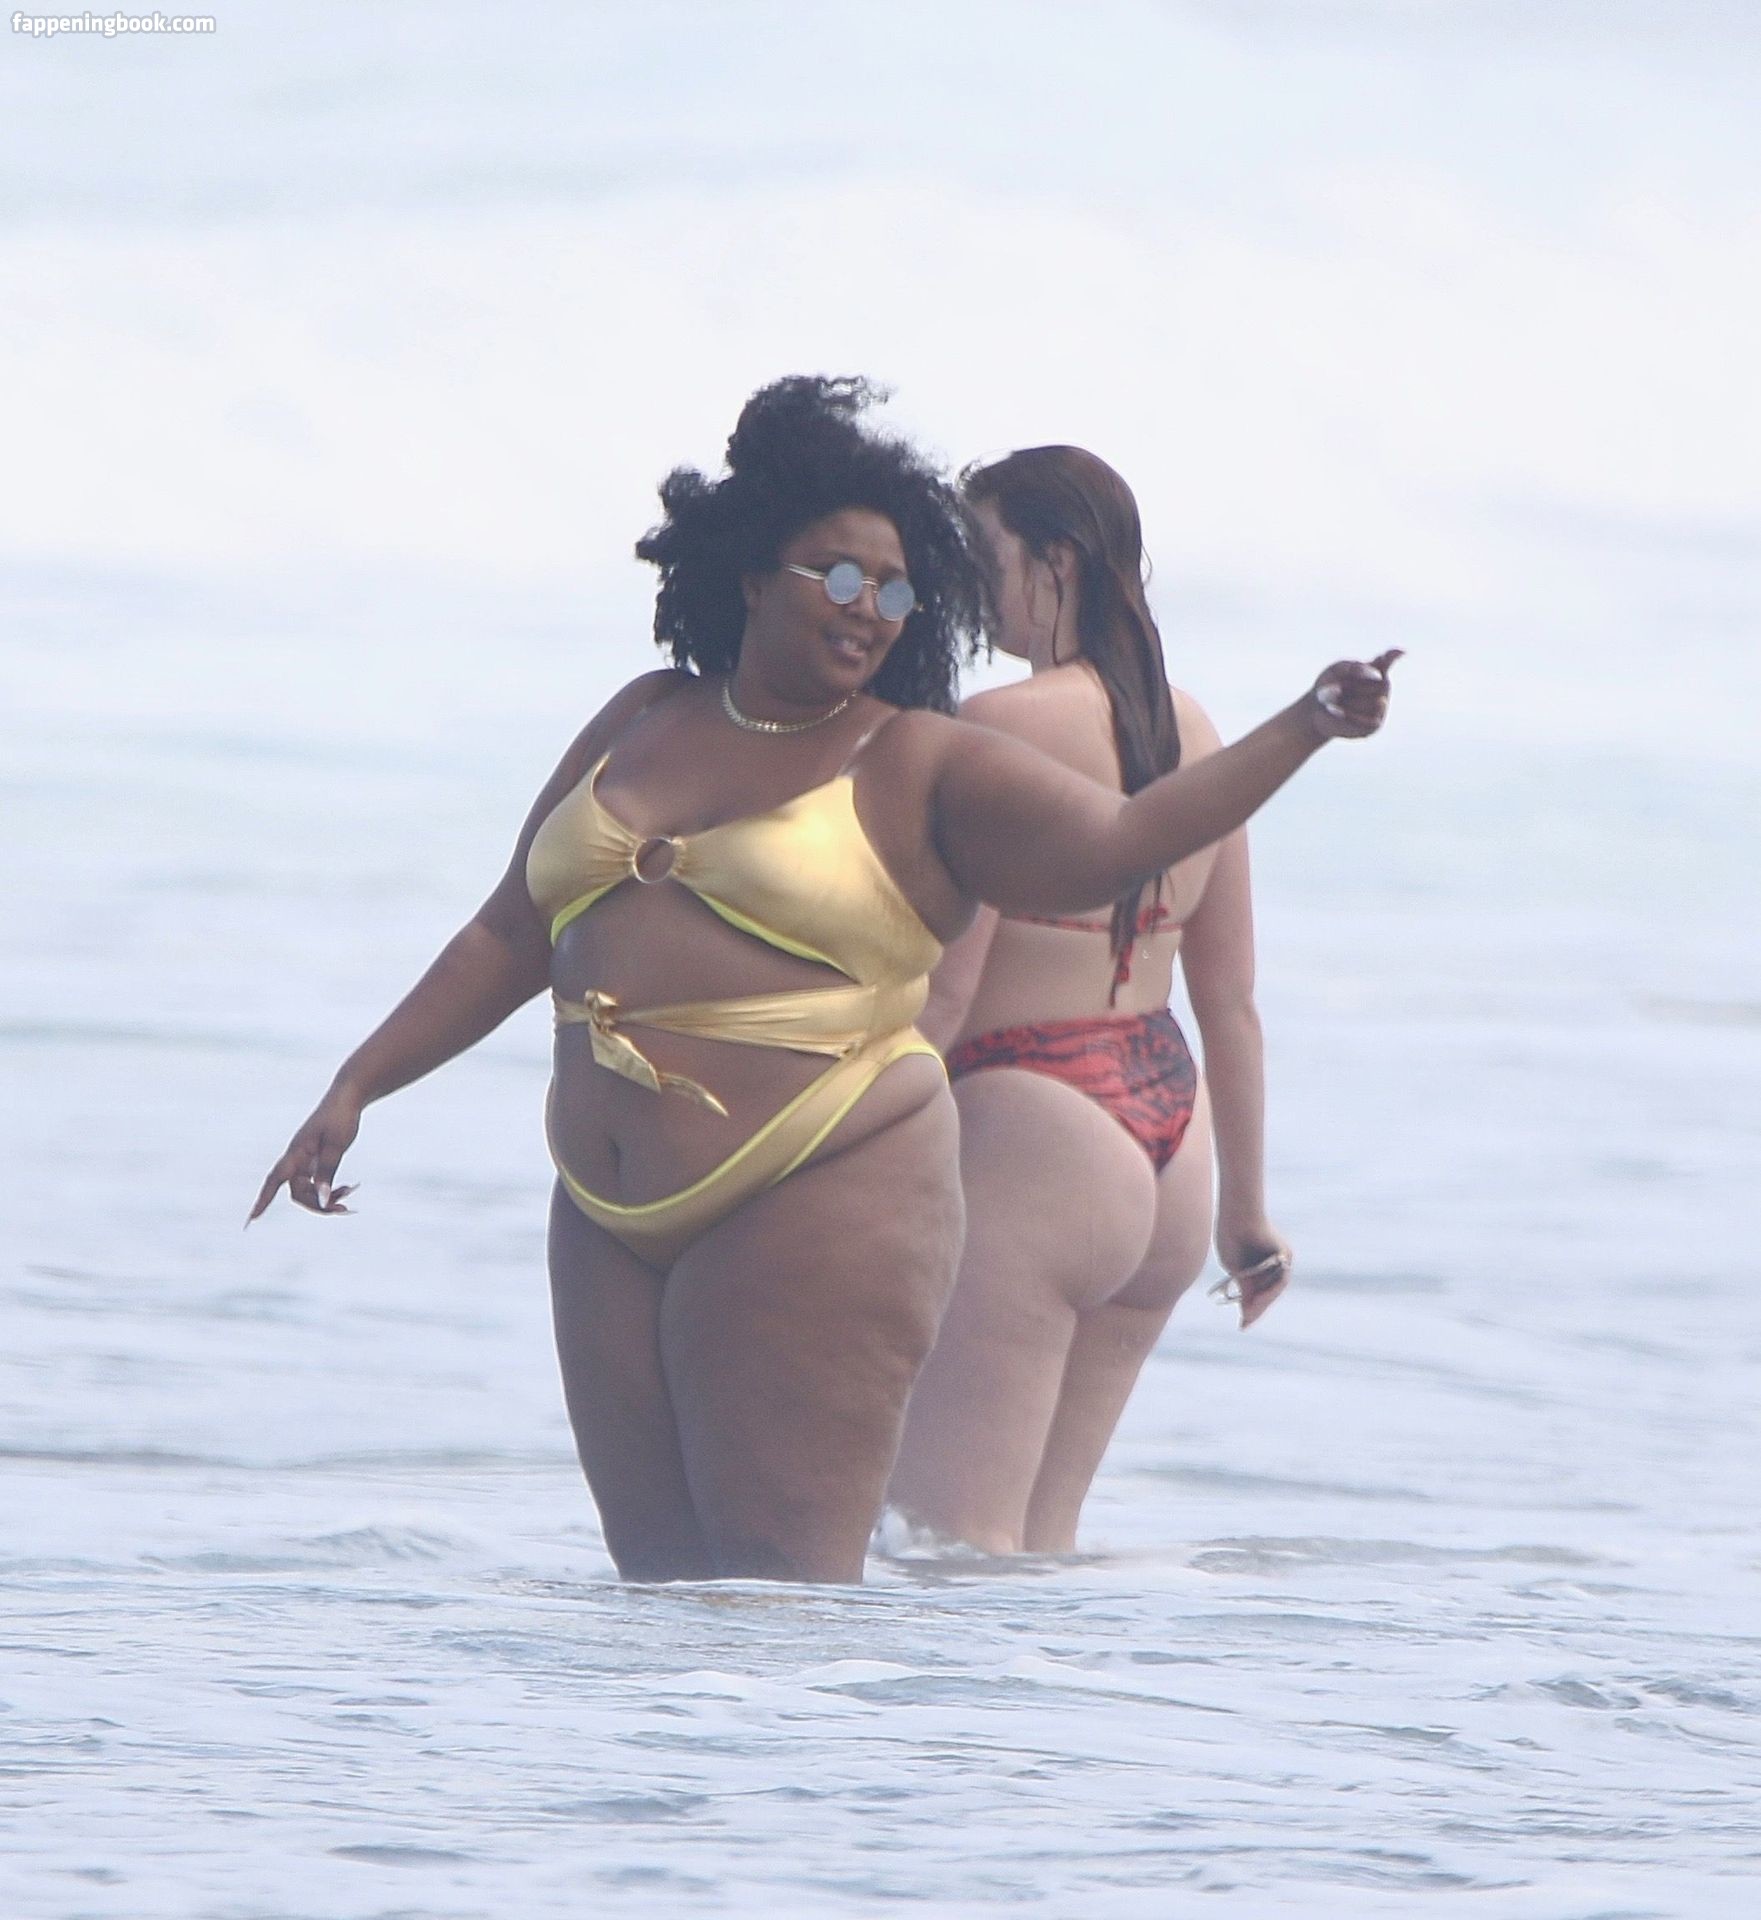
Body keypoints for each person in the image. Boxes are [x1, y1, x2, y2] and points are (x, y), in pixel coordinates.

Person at [249, 378, 1396, 1586]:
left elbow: (1122, 843)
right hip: (604, 1214)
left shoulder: (926, 759)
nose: (869, 609)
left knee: (793, 1614)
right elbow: (507, 933)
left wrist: (1305, 724)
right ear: (752, 574)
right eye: (841, 575)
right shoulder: (640, 715)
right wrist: (358, 1085)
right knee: (656, 1606)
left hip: (823, 1187)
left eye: (896, 590)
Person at [889, 445, 1395, 1556]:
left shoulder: (994, 726)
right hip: (1173, 1140)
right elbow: (1231, 998)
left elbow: (948, 992)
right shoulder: (1198, 731)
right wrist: (1244, 1216)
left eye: (983, 551)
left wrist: (837, 1143)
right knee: (1040, 1548)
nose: (964, 583)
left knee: (949, 1545)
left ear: (1056, 560)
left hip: (1031, 1124)